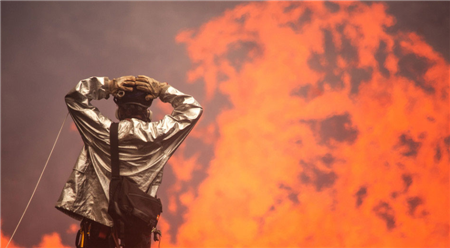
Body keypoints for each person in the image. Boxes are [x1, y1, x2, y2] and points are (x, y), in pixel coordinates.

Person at [55, 75, 203, 247]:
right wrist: (162, 90)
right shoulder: (159, 136)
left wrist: (109, 86)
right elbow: (192, 109)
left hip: (99, 230)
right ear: (147, 113)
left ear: (119, 112)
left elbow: (75, 98)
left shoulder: (101, 132)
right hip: (138, 229)